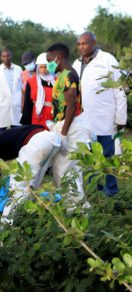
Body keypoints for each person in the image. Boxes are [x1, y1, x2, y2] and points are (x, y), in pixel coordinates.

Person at [72, 32, 128, 196]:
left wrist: (120, 118)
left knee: (108, 155)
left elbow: (119, 90)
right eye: (79, 44)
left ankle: (111, 189)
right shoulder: (77, 63)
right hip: (85, 120)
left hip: (105, 118)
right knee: (89, 156)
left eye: (85, 43)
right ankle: (94, 187)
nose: (82, 47)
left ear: (94, 42)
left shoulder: (108, 60)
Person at [0, 123, 60, 224]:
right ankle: (32, 218)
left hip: (36, 143)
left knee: (16, 189)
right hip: (52, 138)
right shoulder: (8, 134)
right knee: (31, 186)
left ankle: (6, 229)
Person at [47, 43, 92, 206]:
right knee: (71, 171)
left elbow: (71, 106)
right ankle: (78, 208)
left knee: (63, 171)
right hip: (68, 124)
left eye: (49, 60)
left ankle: (75, 209)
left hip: (70, 127)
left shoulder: (67, 76)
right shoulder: (65, 74)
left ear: (58, 58)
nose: (48, 64)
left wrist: (63, 133)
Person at [0, 49, 23, 130]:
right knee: (2, 128)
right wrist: (1, 97)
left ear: (11, 56)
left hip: (16, 103)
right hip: (3, 103)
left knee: (17, 128)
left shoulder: (18, 69)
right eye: (4, 56)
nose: (6, 58)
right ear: (1, 58)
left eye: (8, 56)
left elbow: (21, 86)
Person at [20, 53, 56, 127]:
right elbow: (28, 104)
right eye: (41, 67)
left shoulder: (57, 81)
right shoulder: (31, 82)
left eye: (45, 67)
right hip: (37, 119)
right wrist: (26, 122)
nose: (43, 70)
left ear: (50, 66)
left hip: (53, 119)